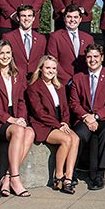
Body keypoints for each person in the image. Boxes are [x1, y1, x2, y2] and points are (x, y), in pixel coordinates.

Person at [0, 40, 34, 197]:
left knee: (29, 132)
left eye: (8, 53)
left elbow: (23, 100)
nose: (5, 56)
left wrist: (22, 118)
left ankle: (8, 176)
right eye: (1, 53)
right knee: (18, 131)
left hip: (16, 117)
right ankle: (16, 179)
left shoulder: (19, 73)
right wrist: (11, 119)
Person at [26, 55, 80, 194]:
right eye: (48, 67)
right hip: (43, 124)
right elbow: (39, 113)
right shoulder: (33, 87)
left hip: (58, 122)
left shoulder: (59, 86)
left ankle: (68, 177)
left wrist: (64, 122)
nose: (51, 71)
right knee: (67, 139)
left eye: (54, 68)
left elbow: (65, 109)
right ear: (41, 69)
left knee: (76, 138)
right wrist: (58, 125)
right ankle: (58, 177)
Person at [68, 44, 105, 190]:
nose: (92, 60)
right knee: (79, 134)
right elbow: (74, 102)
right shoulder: (78, 77)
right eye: (89, 57)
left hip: (104, 117)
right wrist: (86, 116)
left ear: (102, 58)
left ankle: (99, 174)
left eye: (96, 56)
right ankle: (73, 171)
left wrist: (95, 116)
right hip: (84, 118)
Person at [46, 5, 94, 85]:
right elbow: (53, 61)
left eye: (75, 17)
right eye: (69, 17)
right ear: (64, 19)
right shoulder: (55, 37)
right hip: (62, 83)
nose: (72, 20)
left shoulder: (88, 38)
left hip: (84, 82)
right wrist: (68, 80)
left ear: (80, 19)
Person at [3, 4, 47, 81]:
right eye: (23, 16)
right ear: (18, 18)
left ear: (33, 18)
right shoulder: (8, 37)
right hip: (15, 80)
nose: (27, 19)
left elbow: (42, 60)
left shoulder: (41, 39)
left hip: (35, 81)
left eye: (29, 16)